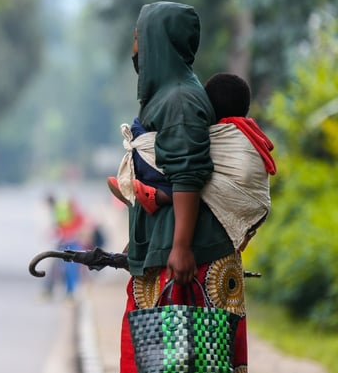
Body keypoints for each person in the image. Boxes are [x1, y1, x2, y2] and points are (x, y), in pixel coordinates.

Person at [116, 1, 251, 373]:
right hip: (175, 241)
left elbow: (189, 176)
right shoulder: (171, 95)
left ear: (155, 41)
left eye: (139, 36)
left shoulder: (177, 99)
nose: (134, 46)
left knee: (186, 344)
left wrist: (180, 247)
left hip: (192, 248)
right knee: (174, 343)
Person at [108, 71, 276, 253]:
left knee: (185, 174)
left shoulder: (219, 133)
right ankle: (141, 221)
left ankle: (157, 194)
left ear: (209, 108)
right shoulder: (247, 133)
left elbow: (190, 167)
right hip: (253, 210)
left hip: (202, 241)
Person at [44, 193, 88, 298]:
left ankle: (69, 292)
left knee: (69, 268)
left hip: (70, 242)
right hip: (68, 241)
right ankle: (69, 292)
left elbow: (64, 225)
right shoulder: (62, 207)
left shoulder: (60, 208)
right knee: (66, 268)